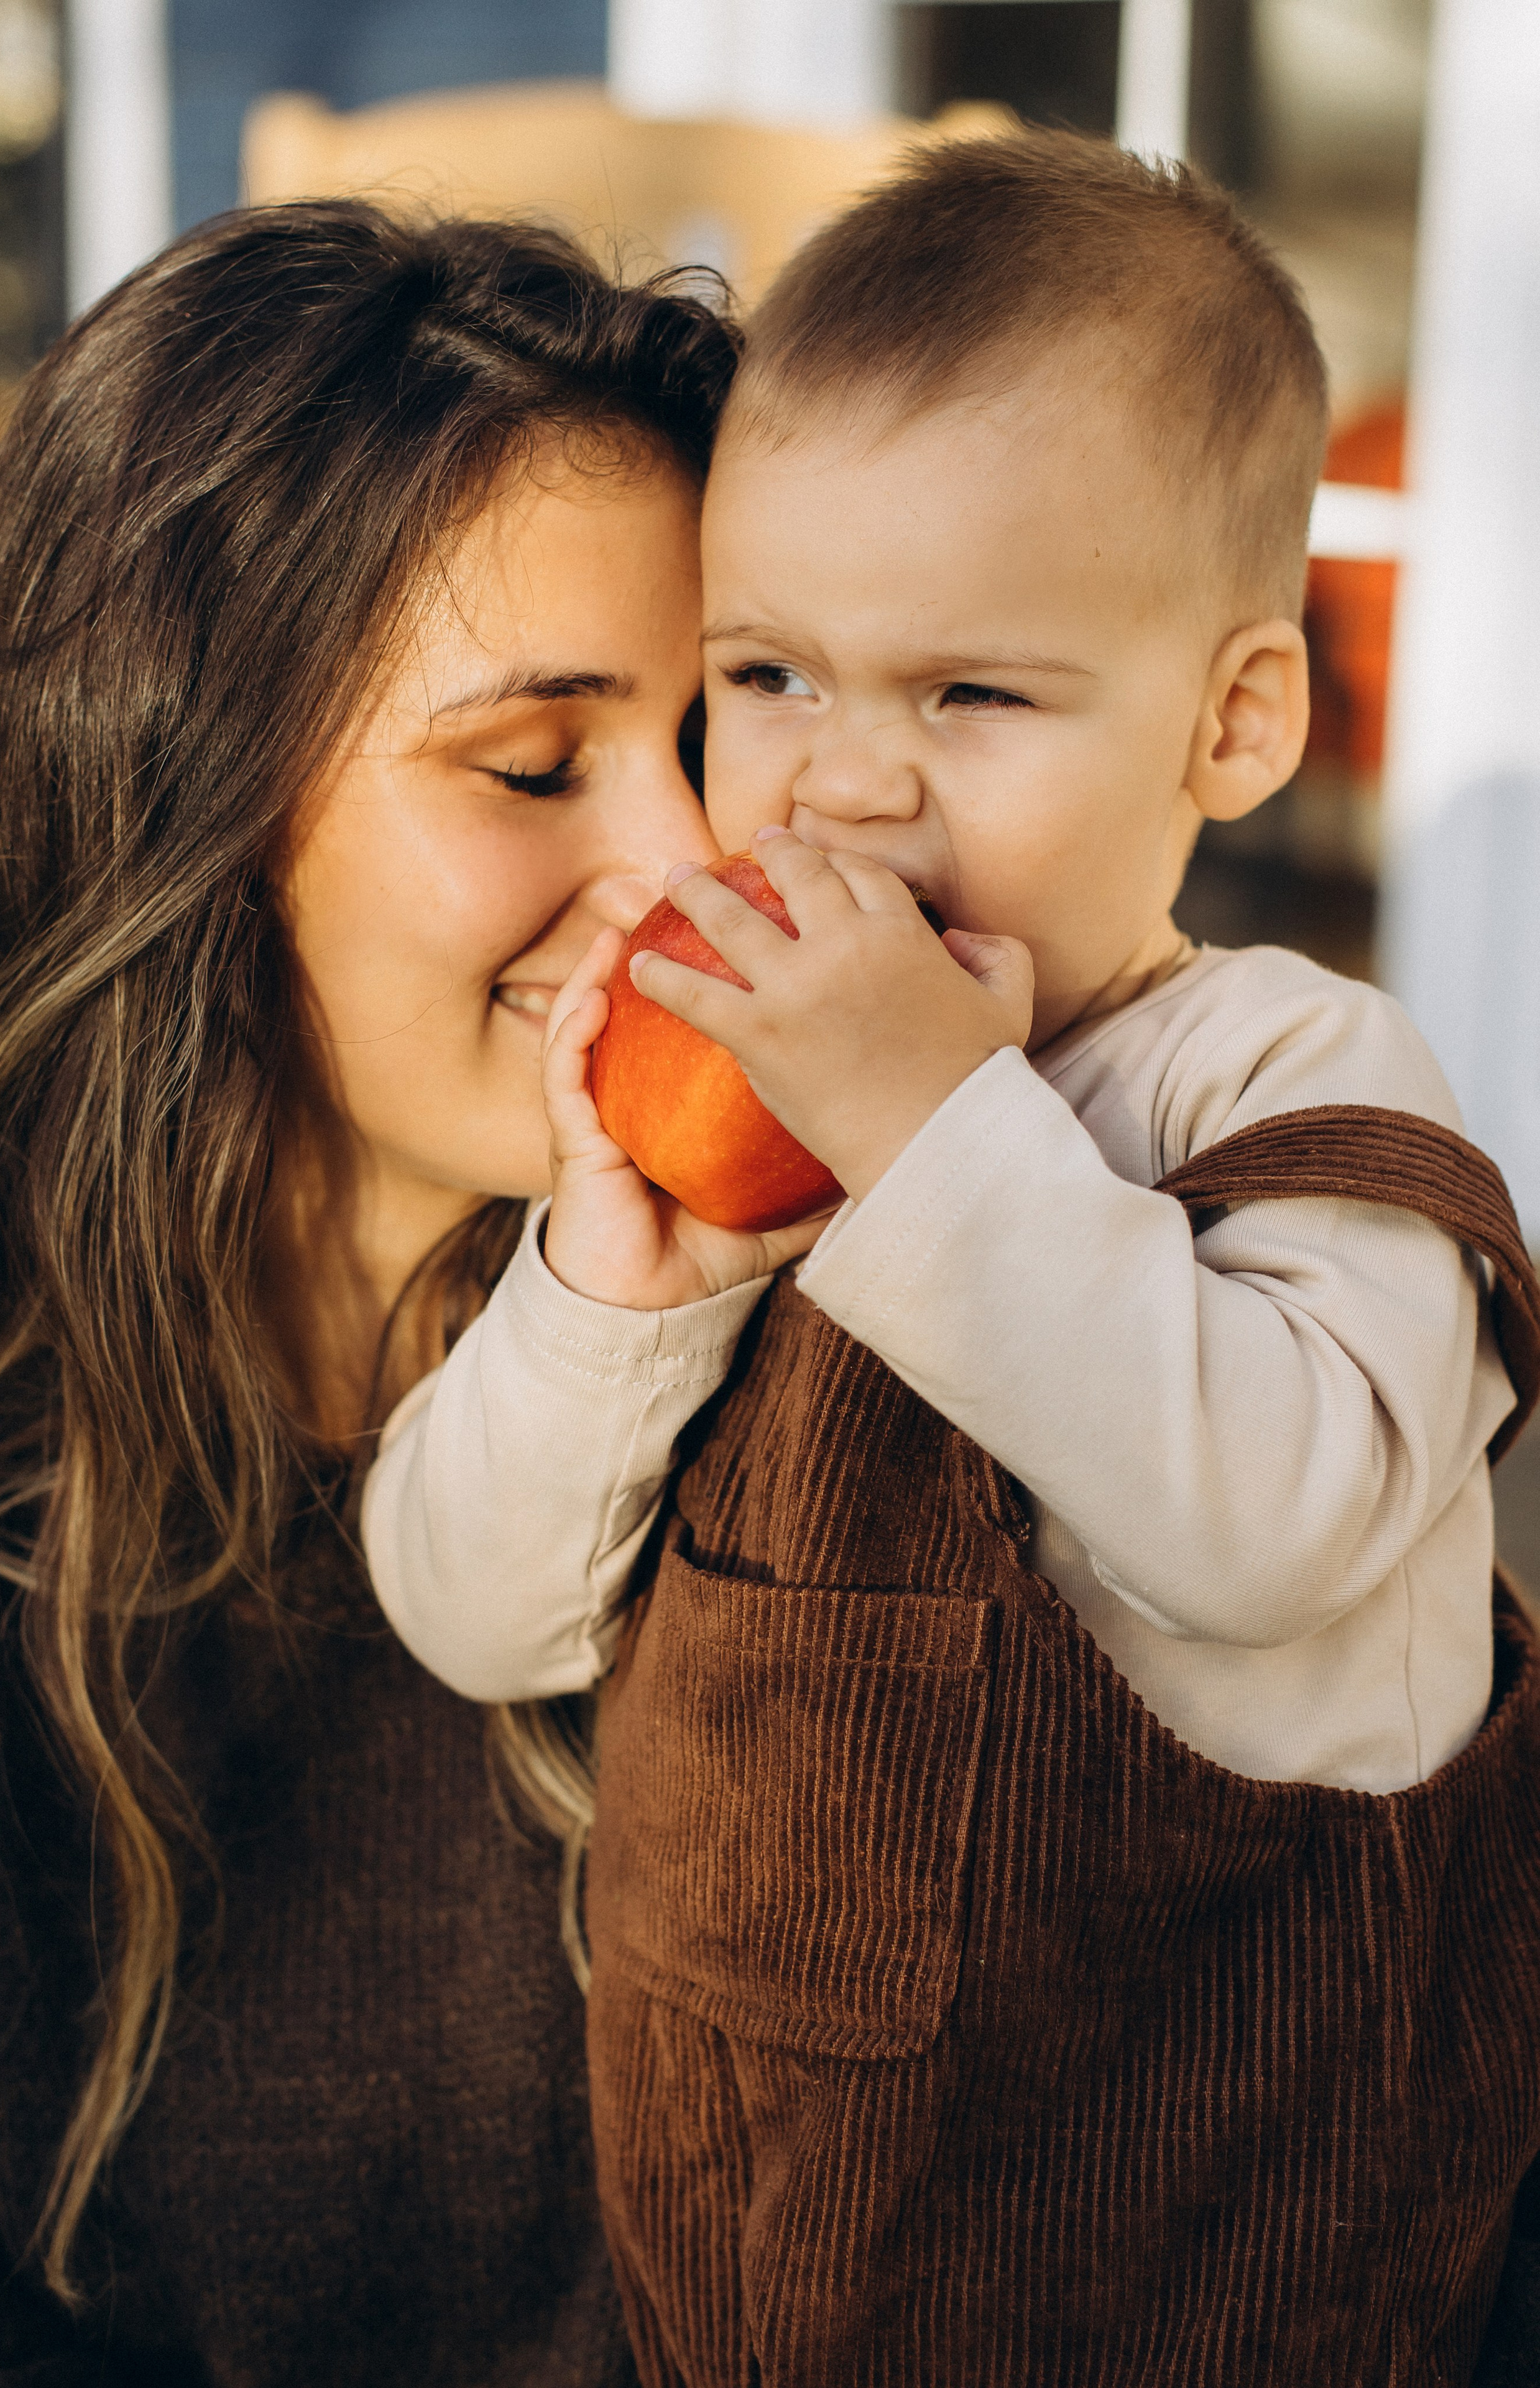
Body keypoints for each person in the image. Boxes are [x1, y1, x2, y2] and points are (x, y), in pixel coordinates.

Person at [366, 135, 1540, 2384]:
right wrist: (617, 1283)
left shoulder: (1283, 1083)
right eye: (776, 677)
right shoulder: (726, 1138)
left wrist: (929, 1125)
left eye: (971, 698)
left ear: (1235, 726)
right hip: (778, 2272)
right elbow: (470, 1603)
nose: (840, 789)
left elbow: (1275, 1515)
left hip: (1237, 2262)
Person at [0, 197, 763, 2387]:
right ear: (180, 795)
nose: (695, 873)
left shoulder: (836, 1413)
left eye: (724, 733)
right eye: (533, 763)